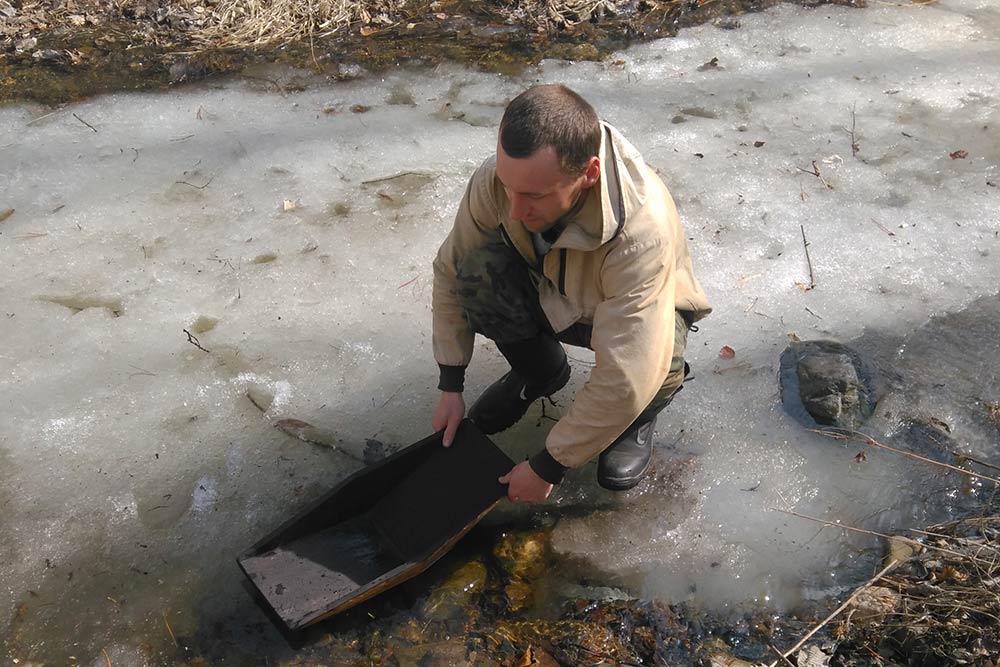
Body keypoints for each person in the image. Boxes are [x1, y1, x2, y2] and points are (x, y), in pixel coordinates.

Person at [430, 84, 711, 503]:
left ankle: (635, 420)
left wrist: (549, 464)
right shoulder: (499, 182)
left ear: (589, 174)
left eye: (534, 196)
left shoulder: (640, 231)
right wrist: (450, 383)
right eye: (508, 187)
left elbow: (629, 368)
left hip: (626, 314)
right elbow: (451, 272)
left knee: (658, 360)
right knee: (476, 271)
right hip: (553, 293)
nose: (514, 210)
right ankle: (539, 372)